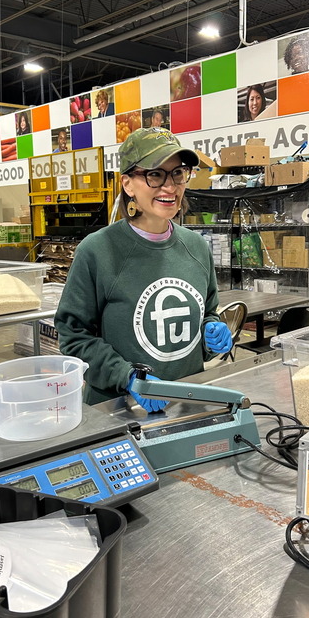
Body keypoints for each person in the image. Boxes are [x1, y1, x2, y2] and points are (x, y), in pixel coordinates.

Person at [54, 127, 233, 412]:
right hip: (118, 410)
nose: (170, 187)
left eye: (177, 173)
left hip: (188, 400)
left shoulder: (196, 246)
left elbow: (207, 310)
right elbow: (74, 336)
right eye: (155, 174)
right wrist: (128, 377)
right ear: (128, 184)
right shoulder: (98, 250)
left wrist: (211, 330)